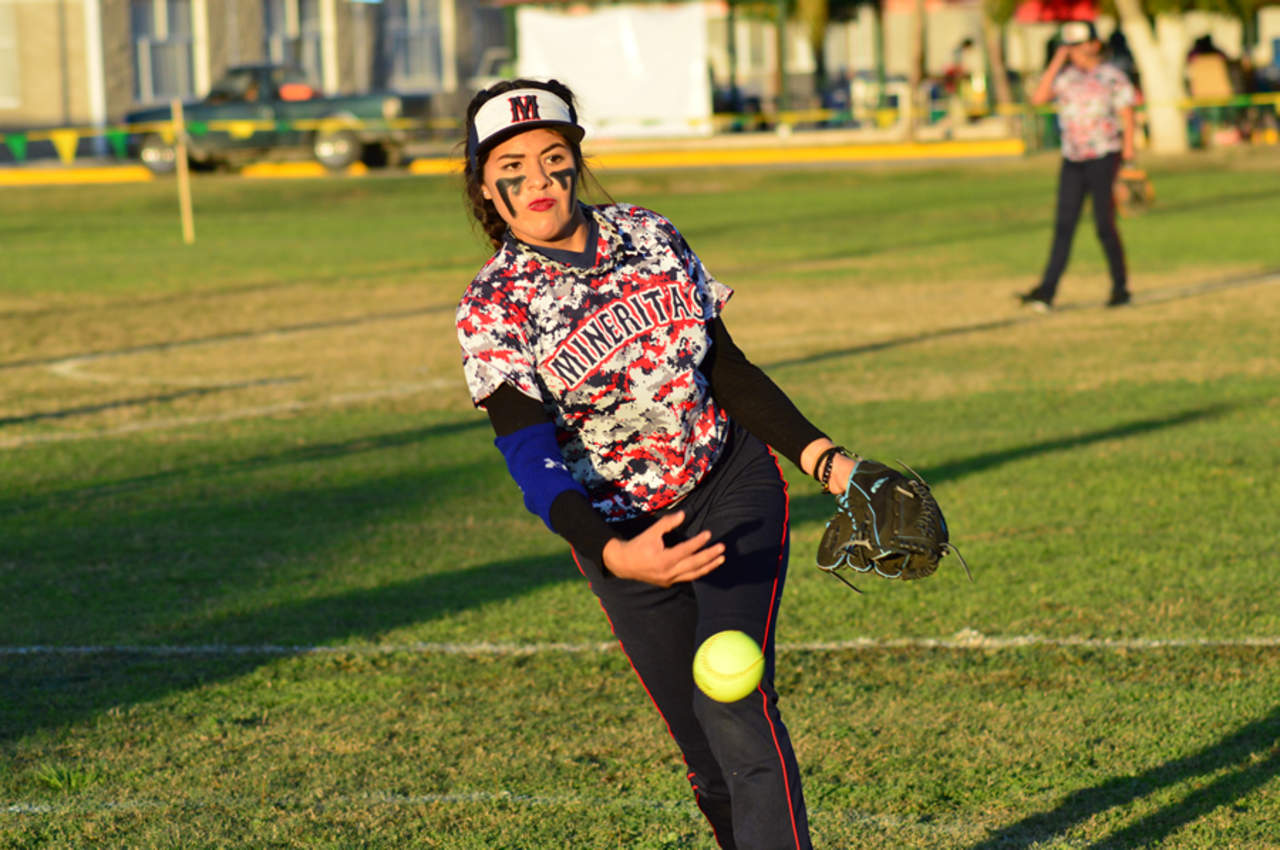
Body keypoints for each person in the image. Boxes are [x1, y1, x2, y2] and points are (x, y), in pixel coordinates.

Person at [455, 78, 863, 850]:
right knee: (706, 757)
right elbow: (527, 452)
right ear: (485, 183)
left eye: (554, 156)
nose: (538, 179)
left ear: (577, 162)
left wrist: (824, 457)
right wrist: (612, 552)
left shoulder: (649, 234)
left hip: (728, 487)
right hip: (620, 535)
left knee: (733, 698)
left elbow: (727, 367)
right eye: (513, 164)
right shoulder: (493, 306)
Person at [1019, 20, 1137, 311]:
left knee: (1104, 225)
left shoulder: (1112, 77)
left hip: (1104, 157)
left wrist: (1129, 159)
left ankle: (1120, 288)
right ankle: (1046, 291)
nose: (1074, 51)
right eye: (1069, 46)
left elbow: (1128, 117)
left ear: (1095, 44)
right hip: (1073, 159)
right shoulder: (1066, 78)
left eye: (1078, 45)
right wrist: (1058, 60)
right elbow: (1038, 98)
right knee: (1064, 226)